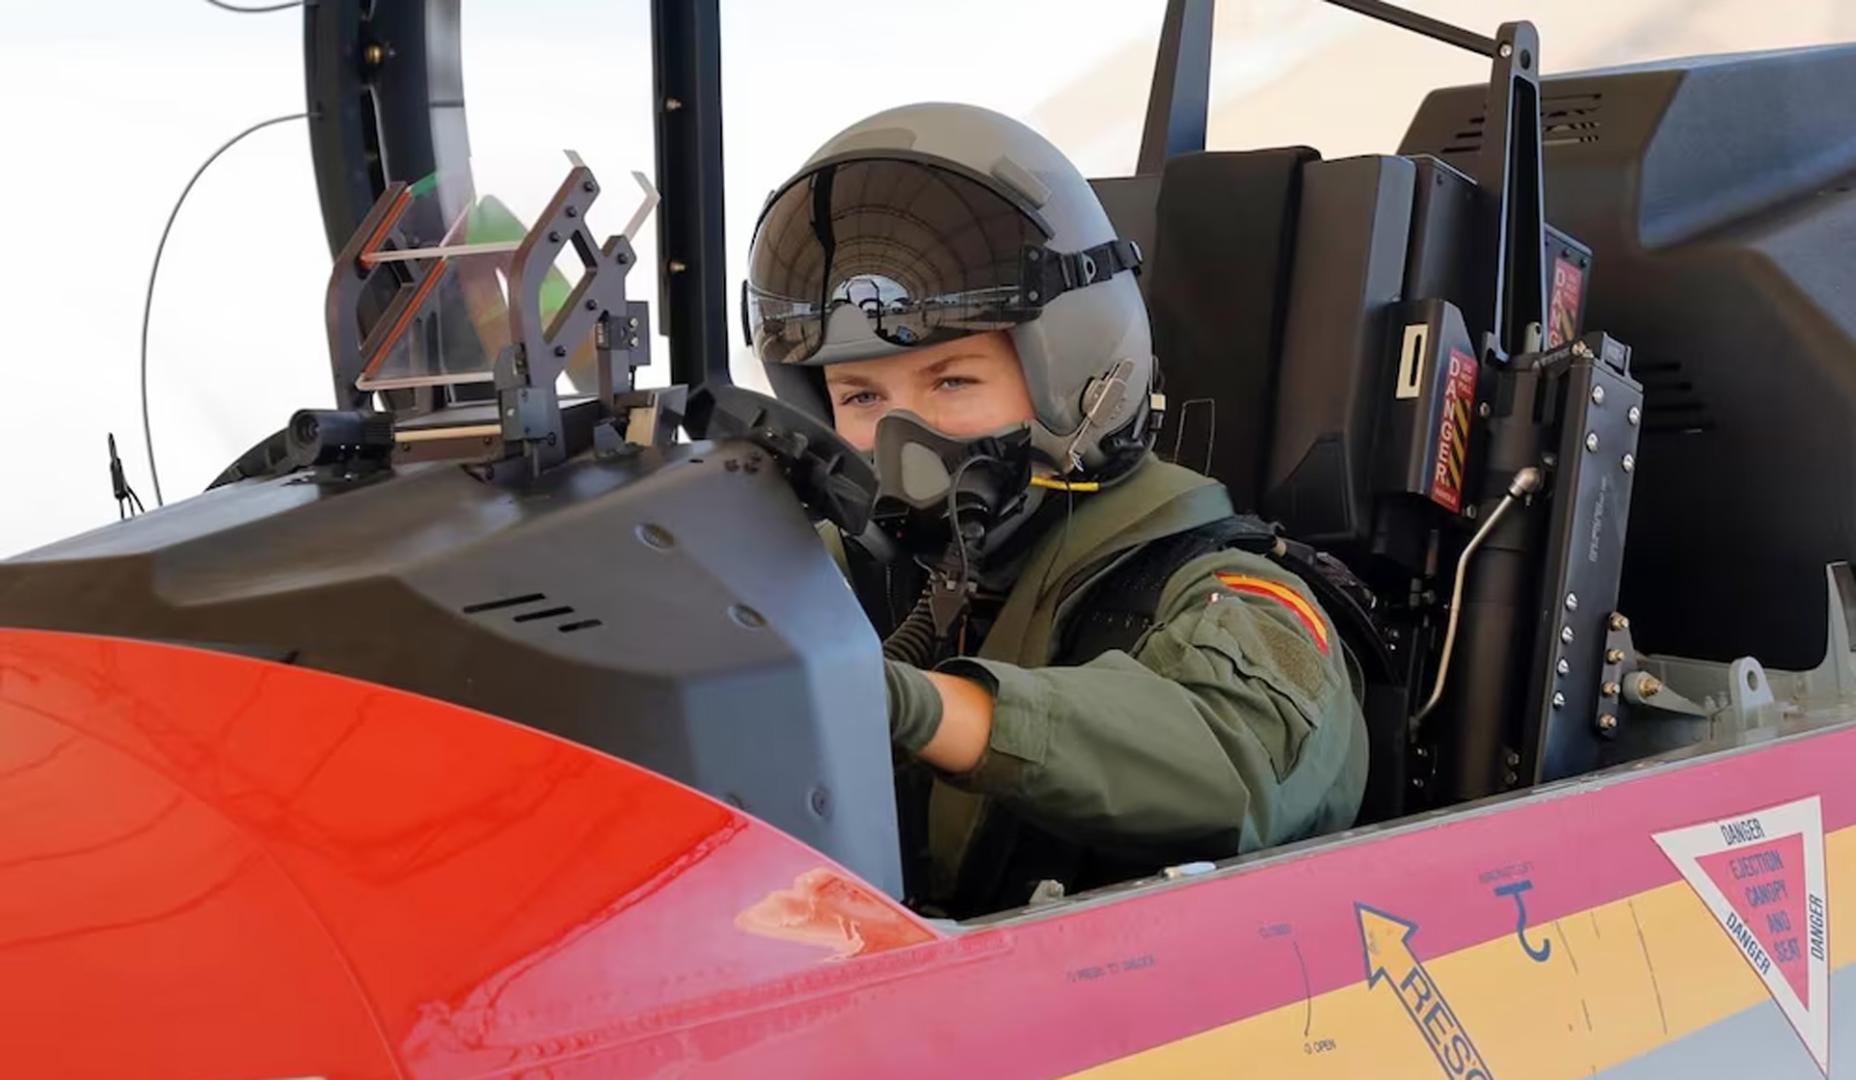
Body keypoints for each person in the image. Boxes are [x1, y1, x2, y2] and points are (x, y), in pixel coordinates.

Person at [742, 102, 1367, 917]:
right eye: (861, 395)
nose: (900, 434)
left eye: (953, 380)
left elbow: (1242, 759)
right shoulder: (828, 573)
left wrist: (913, 703)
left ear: (1075, 376)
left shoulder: (1223, 587)